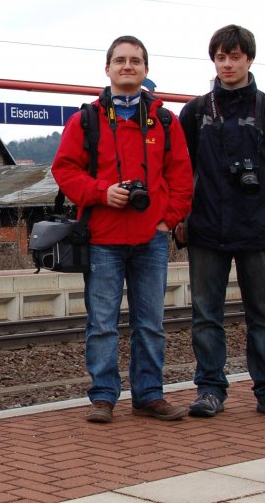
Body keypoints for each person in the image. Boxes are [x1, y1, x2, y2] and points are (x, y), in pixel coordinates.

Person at [52, 36, 193, 424]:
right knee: (102, 323)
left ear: (146, 69)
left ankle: (149, 395)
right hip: (103, 238)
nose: (127, 66)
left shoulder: (165, 121)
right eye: (120, 60)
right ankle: (103, 397)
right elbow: (64, 170)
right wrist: (102, 192)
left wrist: (170, 219)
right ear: (108, 69)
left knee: (151, 323)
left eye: (135, 61)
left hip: (151, 238)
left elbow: (182, 175)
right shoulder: (87, 120)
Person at [176, 24, 265, 420]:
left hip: (258, 232)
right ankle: (210, 389)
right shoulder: (196, 113)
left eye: (234, 56)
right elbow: (180, 172)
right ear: (213, 60)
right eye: (220, 57)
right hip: (206, 230)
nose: (227, 64)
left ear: (249, 59)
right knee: (205, 315)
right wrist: (179, 219)